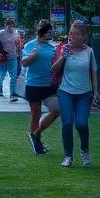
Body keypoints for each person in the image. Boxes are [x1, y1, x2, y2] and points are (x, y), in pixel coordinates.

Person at [52, 20, 98, 167]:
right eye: (71, 33)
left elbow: (93, 73)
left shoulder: (89, 51)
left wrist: (95, 92)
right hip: (65, 91)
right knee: (67, 123)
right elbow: (54, 69)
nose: (72, 36)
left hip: (84, 93)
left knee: (81, 123)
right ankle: (68, 156)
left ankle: (85, 151)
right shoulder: (63, 48)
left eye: (76, 34)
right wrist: (63, 56)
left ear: (84, 36)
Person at [22, 19, 60, 152]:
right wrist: (32, 56)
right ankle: (37, 144)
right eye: (48, 31)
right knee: (35, 114)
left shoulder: (53, 46)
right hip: (33, 84)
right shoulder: (30, 45)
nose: (51, 33)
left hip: (50, 85)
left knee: (57, 109)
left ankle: (36, 133)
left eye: (51, 31)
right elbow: (24, 63)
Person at [0, 17, 21, 101]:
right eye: (9, 25)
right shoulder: (0, 33)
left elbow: (19, 45)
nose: (10, 27)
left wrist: (19, 55)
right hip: (2, 58)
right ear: (6, 26)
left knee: (13, 76)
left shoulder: (17, 34)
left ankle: (12, 94)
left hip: (13, 57)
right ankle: (0, 89)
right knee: (2, 75)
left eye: (12, 25)